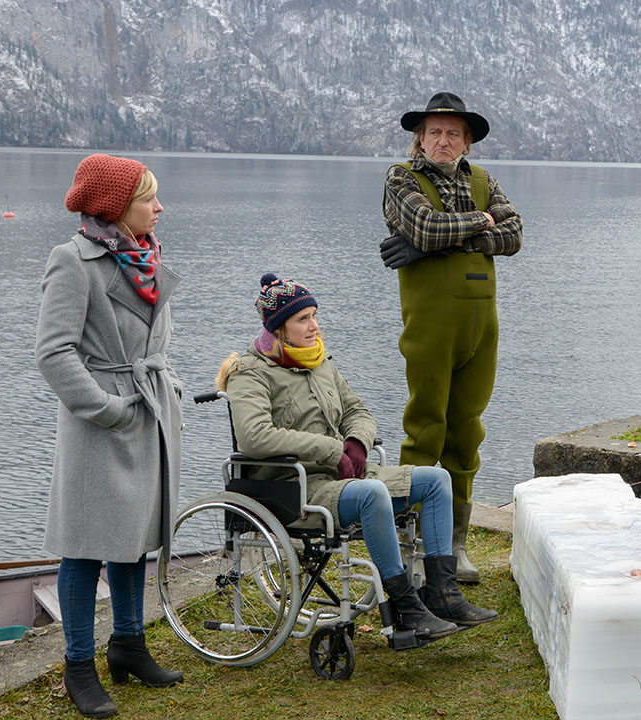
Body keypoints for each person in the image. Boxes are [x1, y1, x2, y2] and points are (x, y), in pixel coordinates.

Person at [216, 274, 498, 642]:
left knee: (436, 479)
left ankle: (443, 595)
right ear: (278, 327)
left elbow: (358, 411)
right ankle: (404, 607)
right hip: (295, 488)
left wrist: (356, 444)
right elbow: (255, 437)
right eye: (303, 319)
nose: (314, 326)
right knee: (373, 495)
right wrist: (332, 450)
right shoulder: (251, 373)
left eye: (314, 315)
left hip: (345, 475)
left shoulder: (321, 363)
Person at [36, 154, 184, 719]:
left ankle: (128, 645)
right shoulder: (73, 261)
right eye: (150, 197)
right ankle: (79, 666)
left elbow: (151, 346)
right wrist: (107, 409)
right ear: (116, 207)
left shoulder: (145, 256)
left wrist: (159, 397)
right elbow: (53, 352)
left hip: (147, 413)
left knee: (132, 538)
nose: (159, 206)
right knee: (84, 548)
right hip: (104, 422)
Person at [380, 91, 523, 584]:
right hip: (430, 325)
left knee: (467, 433)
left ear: (467, 141)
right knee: (425, 431)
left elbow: (516, 234)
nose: (444, 140)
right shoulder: (402, 178)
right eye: (435, 132)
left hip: (482, 327)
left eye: (454, 133)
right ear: (420, 138)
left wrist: (460, 234)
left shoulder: (482, 180)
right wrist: (481, 223)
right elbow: (421, 228)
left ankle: (455, 546)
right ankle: (413, 543)